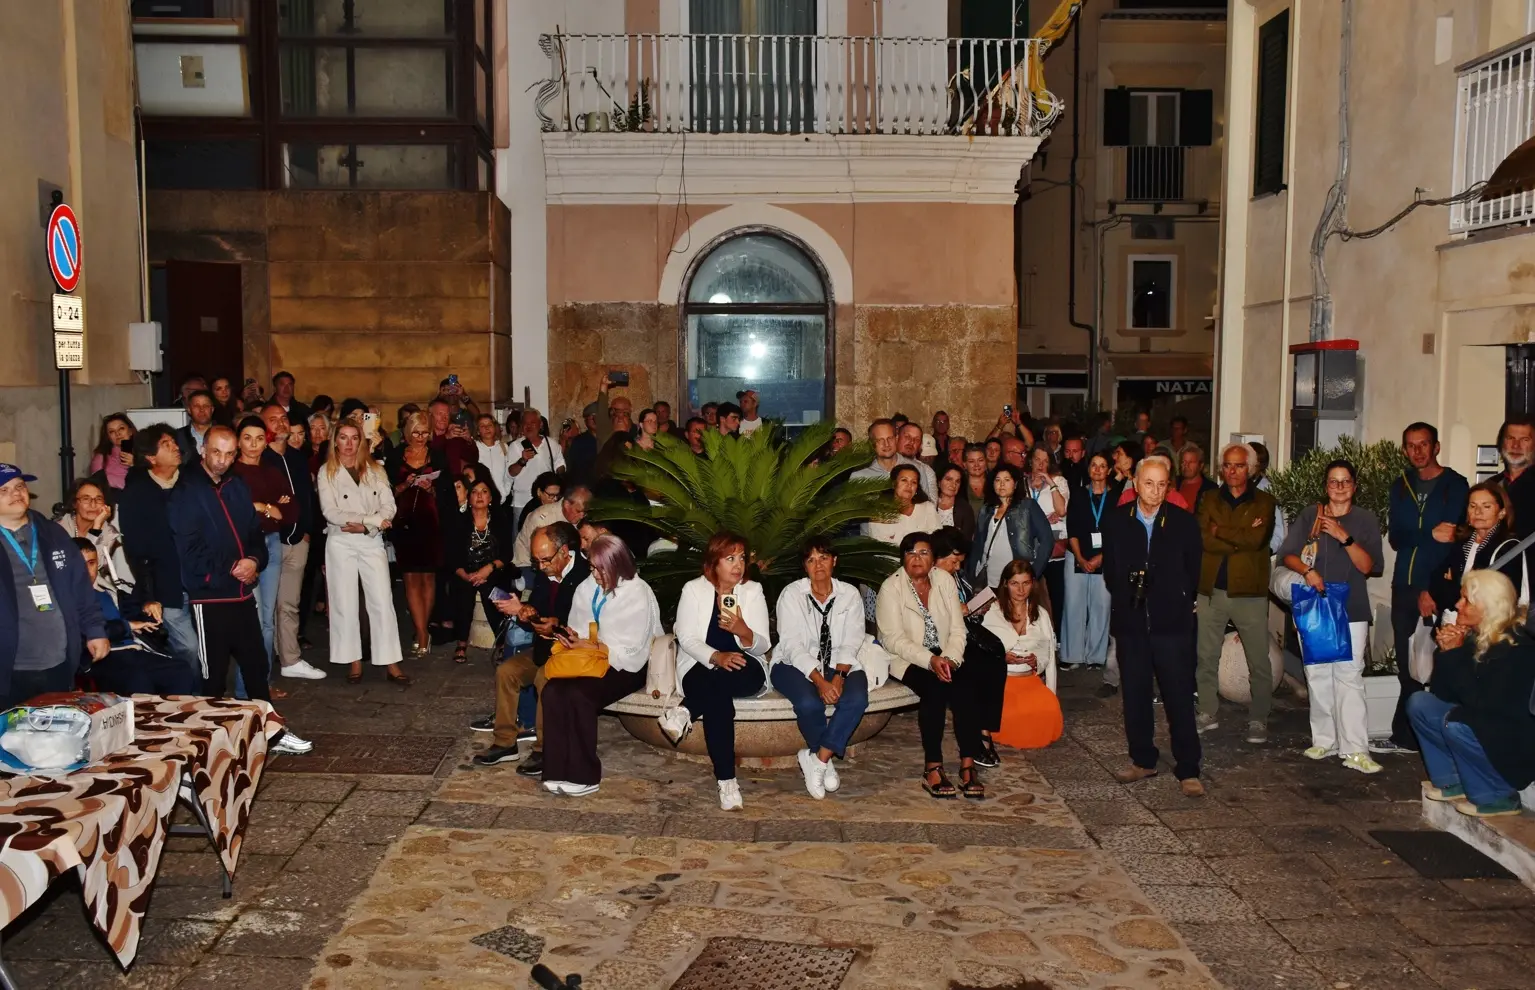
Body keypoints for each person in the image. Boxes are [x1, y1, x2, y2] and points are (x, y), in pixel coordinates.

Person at [168, 429, 312, 753]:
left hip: (243, 592)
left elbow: (253, 533)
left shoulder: (237, 486)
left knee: (256, 666)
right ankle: (207, 743)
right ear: (203, 449)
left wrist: (254, 560)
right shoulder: (186, 492)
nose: (222, 460)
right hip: (211, 597)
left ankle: (269, 733)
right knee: (213, 676)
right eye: (217, 452)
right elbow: (189, 550)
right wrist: (234, 566)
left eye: (229, 454)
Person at [1102, 458, 1204, 796]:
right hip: (1132, 623)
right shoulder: (1117, 521)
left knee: (1178, 695)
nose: (1156, 491)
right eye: (1149, 484)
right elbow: (1111, 572)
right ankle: (1143, 760)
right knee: (1135, 694)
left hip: (1171, 624)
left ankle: (1188, 768)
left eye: (1162, 484)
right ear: (1135, 483)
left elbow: (1194, 570)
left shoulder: (1183, 523)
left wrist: (1173, 596)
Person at [1277, 459, 1384, 774]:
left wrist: (1343, 536)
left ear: (1354, 486)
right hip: (1314, 603)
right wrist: (1308, 571)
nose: (1339, 487)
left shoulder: (1364, 520)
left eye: (1345, 481)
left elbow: (1369, 566)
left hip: (1351, 608)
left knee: (1349, 676)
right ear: (1326, 486)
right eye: (1333, 481)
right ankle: (1324, 739)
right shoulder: (1312, 515)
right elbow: (1288, 554)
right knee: (1318, 673)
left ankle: (1356, 749)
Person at [538, 535, 662, 796]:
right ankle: (556, 769)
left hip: (627, 666)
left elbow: (633, 648)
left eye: (599, 568)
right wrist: (573, 638)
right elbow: (580, 626)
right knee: (553, 691)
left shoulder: (637, 592)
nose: (594, 574)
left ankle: (584, 775)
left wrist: (591, 647)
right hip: (589, 660)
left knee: (579, 695)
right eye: (592, 567)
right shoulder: (587, 587)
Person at [1410, 569, 1535, 817]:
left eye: (1466, 599)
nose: (1458, 605)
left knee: (1456, 723)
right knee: (1420, 703)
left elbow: (1481, 703)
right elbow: (1443, 694)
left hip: (1513, 743)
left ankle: (1499, 795)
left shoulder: (1517, 645)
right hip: (1484, 722)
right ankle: (1451, 780)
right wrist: (1447, 653)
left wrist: (1454, 655)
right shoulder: (1476, 637)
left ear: (1487, 606)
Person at [662, 532, 772, 811]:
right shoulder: (694, 590)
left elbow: (762, 644)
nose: (738, 565)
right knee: (717, 699)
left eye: (742, 558)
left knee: (720, 683)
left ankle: (685, 711)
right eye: (730, 558)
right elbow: (686, 638)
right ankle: (727, 781)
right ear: (714, 562)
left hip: (745, 666)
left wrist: (742, 630)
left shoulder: (752, 591)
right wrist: (715, 656)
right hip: (700, 665)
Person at [876, 532, 988, 799]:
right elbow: (893, 640)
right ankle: (933, 767)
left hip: (945, 653)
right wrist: (930, 660)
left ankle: (968, 763)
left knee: (967, 683)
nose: (917, 558)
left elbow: (958, 630)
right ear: (902, 558)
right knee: (934, 689)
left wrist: (949, 659)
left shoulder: (944, 580)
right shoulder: (891, 588)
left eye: (924, 553)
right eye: (911, 553)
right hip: (908, 658)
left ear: (933, 558)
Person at [475, 522, 590, 772]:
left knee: (543, 678)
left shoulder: (585, 576)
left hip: (572, 650)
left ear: (564, 552)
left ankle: (544, 749)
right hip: (544, 648)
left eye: (546, 560)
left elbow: (579, 623)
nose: (541, 566)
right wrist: (523, 611)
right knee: (506, 671)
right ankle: (505, 742)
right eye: (536, 561)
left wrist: (549, 623)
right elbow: (538, 616)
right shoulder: (544, 573)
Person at [1385, 422, 1470, 755]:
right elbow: (1397, 536)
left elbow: (1451, 539)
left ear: (1436, 446)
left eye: (1423, 444)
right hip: (1402, 583)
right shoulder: (1401, 485)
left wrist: (1431, 589)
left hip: (1435, 586)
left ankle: (1422, 735)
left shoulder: (1455, 485)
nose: (1417, 451)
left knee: (1435, 665)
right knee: (1407, 663)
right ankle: (1406, 735)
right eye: (1410, 445)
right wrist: (1425, 534)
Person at [0, 465, 109, 710]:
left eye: (19, 486)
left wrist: (95, 630)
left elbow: (80, 586)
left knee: (56, 737)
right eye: (4, 490)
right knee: (12, 742)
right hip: (10, 668)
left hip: (58, 661)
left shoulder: (52, 533)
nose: (15, 493)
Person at [772, 537, 869, 799]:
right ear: (804, 566)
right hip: (793, 664)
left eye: (823, 558)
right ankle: (820, 758)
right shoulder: (791, 594)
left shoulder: (849, 594)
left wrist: (839, 674)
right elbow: (792, 645)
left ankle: (818, 759)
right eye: (811, 560)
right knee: (809, 704)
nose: (818, 565)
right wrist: (819, 680)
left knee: (857, 699)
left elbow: (852, 638)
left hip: (842, 663)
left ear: (834, 561)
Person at [1193, 443, 1277, 743]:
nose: (1232, 471)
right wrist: (1235, 535)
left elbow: (1256, 540)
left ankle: (1259, 718)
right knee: (1205, 655)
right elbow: (1203, 539)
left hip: (1249, 593)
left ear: (1251, 469)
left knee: (1258, 659)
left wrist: (1221, 531)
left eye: (1239, 465)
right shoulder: (1209, 498)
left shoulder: (1265, 502)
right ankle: (1207, 711)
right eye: (1227, 465)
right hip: (1211, 589)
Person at [317, 421, 408, 686]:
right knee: (344, 602)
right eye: (343, 438)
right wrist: (370, 519)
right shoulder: (327, 472)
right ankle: (353, 660)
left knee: (382, 600)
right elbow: (331, 511)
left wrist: (368, 524)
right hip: (341, 540)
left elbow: (389, 505)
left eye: (354, 438)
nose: (348, 444)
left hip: (371, 540)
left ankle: (391, 660)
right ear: (335, 441)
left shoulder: (375, 470)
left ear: (361, 441)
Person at [117, 425, 202, 678]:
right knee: (188, 646)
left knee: (209, 647)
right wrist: (148, 594)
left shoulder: (192, 484)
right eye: (166, 444)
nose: (176, 447)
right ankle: (189, 696)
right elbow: (135, 548)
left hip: (200, 580)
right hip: (166, 586)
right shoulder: (137, 494)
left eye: (174, 443)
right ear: (151, 457)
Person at [76, 539, 198, 697]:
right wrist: (127, 626)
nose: (86, 570)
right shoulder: (67, 598)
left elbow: (131, 610)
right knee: (138, 679)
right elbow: (86, 633)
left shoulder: (107, 592)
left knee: (180, 670)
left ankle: (171, 719)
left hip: (131, 651)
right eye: (80, 564)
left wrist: (146, 606)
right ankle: (141, 721)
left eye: (91, 563)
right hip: (100, 656)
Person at [230, 416, 297, 685]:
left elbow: (291, 512)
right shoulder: (232, 473)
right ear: (238, 440)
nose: (254, 444)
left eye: (259, 438)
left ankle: (263, 682)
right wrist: (267, 507)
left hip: (272, 543)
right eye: (247, 438)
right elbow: (236, 514)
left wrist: (263, 507)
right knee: (253, 619)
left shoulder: (271, 472)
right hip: (245, 547)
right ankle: (244, 687)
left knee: (268, 618)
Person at [259, 404, 324, 680]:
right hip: (269, 541)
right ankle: (264, 665)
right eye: (273, 420)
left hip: (298, 540)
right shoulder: (260, 460)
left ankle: (290, 658)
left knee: (289, 603)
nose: (281, 424)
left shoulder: (298, 458)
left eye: (283, 418)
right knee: (266, 607)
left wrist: (306, 530)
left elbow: (308, 497)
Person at [387, 411, 451, 655]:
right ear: (407, 432)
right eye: (416, 433)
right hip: (405, 522)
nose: (421, 438)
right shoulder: (395, 456)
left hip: (431, 522)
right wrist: (406, 484)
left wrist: (432, 488)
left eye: (425, 433)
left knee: (428, 577)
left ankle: (424, 629)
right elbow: (387, 490)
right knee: (411, 578)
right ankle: (421, 630)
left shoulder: (437, 456)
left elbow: (448, 493)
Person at [981, 561, 1062, 749]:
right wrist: (1001, 657)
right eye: (1015, 583)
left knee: (1048, 710)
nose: (1020, 589)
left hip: (1029, 679)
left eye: (1025, 583)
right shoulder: (992, 612)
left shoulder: (1040, 614)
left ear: (1033, 584)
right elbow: (981, 651)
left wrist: (1036, 661)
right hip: (1001, 681)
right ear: (1005, 584)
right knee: (1010, 715)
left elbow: (1047, 651)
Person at [445, 477, 516, 664]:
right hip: (465, 571)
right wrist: (467, 575)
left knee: (490, 589)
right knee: (463, 591)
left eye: (484, 491)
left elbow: (507, 554)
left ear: (491, 497)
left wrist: (487, 570)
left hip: (494, 570)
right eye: (475, 492)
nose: (479, 496)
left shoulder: (501, 519)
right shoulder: (459, 521)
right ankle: (461, 642)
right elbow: (452, 556)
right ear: (468, 498)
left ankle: (502, 643)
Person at [1427, 484, 1524, 620]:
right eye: (1472, 506)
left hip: (1487, 626)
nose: (1478, 512)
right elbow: (1435, 583)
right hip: (1452, 621)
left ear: (1502, 512)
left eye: (1486, 506)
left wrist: (1451, 585)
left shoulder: (1509, 547)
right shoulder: (1462, 542)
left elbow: (1497, 600)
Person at [1064, 452, 1113, 672]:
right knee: (1074, 606)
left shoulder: (1116, 497)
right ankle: (1072, 654)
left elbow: (1117, 533)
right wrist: (1080, 557)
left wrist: (1100, 557)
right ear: (1089, 469)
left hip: (1106, 558)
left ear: (1109, 471)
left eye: (1103, 466)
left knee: (1101, 607)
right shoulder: (1078, 494)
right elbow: (1071, 528)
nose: (1098, 470)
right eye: (1094, 465)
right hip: (1077, 557)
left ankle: (1096, 656)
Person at [970, 464, 1053, 591]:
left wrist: (1034, 572)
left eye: (1007, 480)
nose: (1001, 484)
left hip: (1017, 578)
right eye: (997, 480)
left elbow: (1047, 539)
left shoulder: (1028, 506)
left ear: (1015, 485)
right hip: (987, 576)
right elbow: (977, 544)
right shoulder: (986, 509)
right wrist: (972, 572)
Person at [57, 479, 132, 597]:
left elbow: (93, 565)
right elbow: (78, 566)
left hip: (96, 591)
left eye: (98, 499)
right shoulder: (57, 530)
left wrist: (97, 527)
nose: (93, 505)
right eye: (86, 499)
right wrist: (96, 529)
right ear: (74, 504)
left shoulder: (110, 533)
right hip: (64, 591)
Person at [1026, 445, 1071, 635]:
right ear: (1030, 461)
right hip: (1028, 548)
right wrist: (1044, 518)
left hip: (1054, 549)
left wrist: (1049, 482)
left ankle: (1058, 637)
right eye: (1038, 460)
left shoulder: (1059, 481)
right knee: (1031, 594)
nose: (1042, 464)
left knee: (1056, 596)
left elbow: (1061, 511)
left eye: (1046, 461)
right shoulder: (1022, 483)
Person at [513, 486, 591, 571]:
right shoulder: (541, 519)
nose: (582, 516)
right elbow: (537, 557)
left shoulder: (585, 519)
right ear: (566, 505)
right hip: (530, 564)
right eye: (578, 511)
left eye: (585, 512)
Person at [852, 420, 936, 499]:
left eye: (890, 438)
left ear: (896, 439)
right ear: (872, 444)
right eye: (880, 440)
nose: (886, 444)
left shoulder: (917, 468)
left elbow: (926, 507)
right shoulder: (859, 477)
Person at [508, 408, 566, 521]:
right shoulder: (515, 446)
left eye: (532, 423)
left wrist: (558, 477)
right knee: (522, 536)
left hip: (547, 501)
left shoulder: (552, 444)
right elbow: (510, 473)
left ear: (540, 425)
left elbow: (561, 466)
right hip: (522, 501)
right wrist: (522, 460)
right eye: (525, 423)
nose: (529, 426)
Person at [864, 465, 940, 546]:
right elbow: (880, 548)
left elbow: (937, 540)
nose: (909, 485)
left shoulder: (928, 508)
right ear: (893, 484)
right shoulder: (879, 514)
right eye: (904, 480)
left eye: (914, 482)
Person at [1493, 414, 1535, 537]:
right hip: (1496, 555)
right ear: (1501, 443)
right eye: (1510, 438)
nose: (1516, 445)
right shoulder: (1492, 485)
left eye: (1525, 439)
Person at [88, 414, 136, 490]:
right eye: (112, 431)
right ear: (108, 437)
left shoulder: (145, 452)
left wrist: (135, 464)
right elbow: (96, 483)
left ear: (130, 431)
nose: (118, 434)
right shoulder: (101, 457)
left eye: (121, 428)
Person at [473, 413, 512, 504]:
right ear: (478, 431)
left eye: (489, 425)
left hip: (501, 500)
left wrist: (505, 491)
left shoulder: (504, 447)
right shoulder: (474, 448)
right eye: (482, 426)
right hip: (480, 500)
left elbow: (508, 473)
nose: (487, 428)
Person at [934, 464, 977, 545]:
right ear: (939, 482)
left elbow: (967, 541)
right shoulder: (930, 505)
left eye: (957, 481)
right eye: (948, 479)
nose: (953, 485)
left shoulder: (965, 509)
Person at [897, 423, 939, 497]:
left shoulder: (926, 471)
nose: (912, 442)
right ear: (897, 438)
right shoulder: (884, 463)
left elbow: (931, 502)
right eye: (907, 437)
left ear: (920, 446)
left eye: (917, 440)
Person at [176, 390, 217, 463]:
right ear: (189, 410)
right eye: (196, 406)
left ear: (212, 409)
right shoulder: (177, 436)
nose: (201, 410)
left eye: (206, 406)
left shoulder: (224, 435)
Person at [1176, 445, 1217, 511]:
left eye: (1191, 462)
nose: (1186, 465)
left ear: (1201, 465)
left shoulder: (1211, 489)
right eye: (1184, 462)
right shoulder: (1173, 484)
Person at [961, 443, 989, 519]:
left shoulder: (994, 483)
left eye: (980, 460)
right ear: (965, 465)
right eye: (971, 461)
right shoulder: (959, 485)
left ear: (986, 462)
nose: (976, 465)